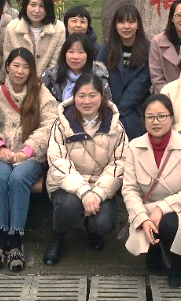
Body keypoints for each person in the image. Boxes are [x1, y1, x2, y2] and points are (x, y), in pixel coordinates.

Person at [43, 73, 127, 265]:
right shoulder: (62, 123)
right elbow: (58, 162)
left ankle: (92, 229)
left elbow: (119, 164)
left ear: (102, 96)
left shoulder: (115, 126)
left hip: (100, 186)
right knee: (69, 205)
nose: (87, 101)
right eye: (81, 96)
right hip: (66, 185)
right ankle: (58, 234)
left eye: (92, 95)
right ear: (74, 97)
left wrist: (97, 194)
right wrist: (84, 192)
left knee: (104, 223)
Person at [0, 48, 58, 272]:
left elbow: (50, 125)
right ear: (7, 67)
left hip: (31, 156)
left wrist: (28, 150)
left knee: (18, 178)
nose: (20, 71)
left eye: (26, 67)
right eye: (16, 65)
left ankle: (16, 241)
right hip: (0, 155)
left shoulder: (41, 93)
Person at [122, 95, 181, 288]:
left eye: (161, 116)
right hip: (146, 208)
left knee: (170, 222)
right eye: (150, 117)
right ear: (143, 120)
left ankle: (179, 264)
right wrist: (142, 218)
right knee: (148, 222)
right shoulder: (134, 146)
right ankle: (154, 255)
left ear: (172, 118)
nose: (155, 122)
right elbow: (130, 189)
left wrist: (161, 208)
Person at [98, 4, 150, 139]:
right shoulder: (106, 48)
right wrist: (110, 108)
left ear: (138, 25)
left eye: (131, 22)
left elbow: (140, 85)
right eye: (121, 22)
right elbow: (99, 79)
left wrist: (118, 111)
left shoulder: (147, 50)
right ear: (115, 25)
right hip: (107, 108)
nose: (126, 26)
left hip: (135, 110)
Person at [3, 0, 66, 75]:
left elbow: (55, 63)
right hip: (17, 79)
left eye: (42, 6)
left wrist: (42, 82)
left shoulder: (58, 28)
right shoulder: (12, 27)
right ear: (25, 5)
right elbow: (8, 60)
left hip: (48, 81)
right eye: (32, 5)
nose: (37, 10)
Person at [41, 32, 112, 102]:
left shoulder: (99, 76)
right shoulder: (50, 76)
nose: (75, 57)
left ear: (88, 55)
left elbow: (107, 105)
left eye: (81, 52)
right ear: (64, 54)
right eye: (71, 51)